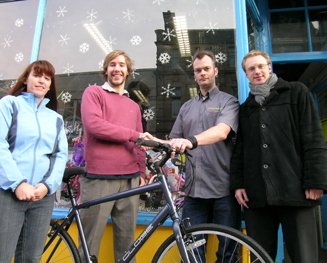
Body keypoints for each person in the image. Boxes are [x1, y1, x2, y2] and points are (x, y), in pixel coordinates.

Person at [230, 50, 327, 262]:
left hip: (296, 191)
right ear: (246, 74)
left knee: (304, 256)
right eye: (251, 69)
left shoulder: (296, 92)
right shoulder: (246, 108)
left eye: (260, 66)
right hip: (258, 197)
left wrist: (316, 180)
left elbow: (313, 138)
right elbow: (240, 150)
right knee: (260, 257)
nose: (257, 71)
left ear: (269, 67)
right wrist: (238, 184)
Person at [146, 50, 241, 262]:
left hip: (223, 190)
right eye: (198, 70)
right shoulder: (186, 108)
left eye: (207, 69)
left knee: (228, 253)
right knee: (192, 254)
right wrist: (154, 141)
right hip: (194, 193)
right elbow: (175, 143)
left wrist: (191, 141)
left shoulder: (229, 102)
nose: (202, 73)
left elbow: (222, 131)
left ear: (215, 71)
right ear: (195, 74)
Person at [0, 60, 68, 262]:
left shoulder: (55, 118)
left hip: (41, 199)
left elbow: (60, 155)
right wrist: (17, 183)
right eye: (37, 75)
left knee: (30, 259)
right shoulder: (9, 104)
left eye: (47, 78)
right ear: (26, 78)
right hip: (6, 195)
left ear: (50, 85)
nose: (42, 81)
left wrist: (47, 186)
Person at [78, 50, 147, 263]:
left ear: (128, 72)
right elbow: (95, 126)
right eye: (112, 65)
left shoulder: (134, 106)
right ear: (106, 70)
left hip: (130, 180)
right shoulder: (93, 93)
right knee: (88, 246)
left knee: (127, 247)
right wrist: (134, 136)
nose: (117, 69)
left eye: (122, 65)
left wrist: (142, 173)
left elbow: (140, 144)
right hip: (98, 179)